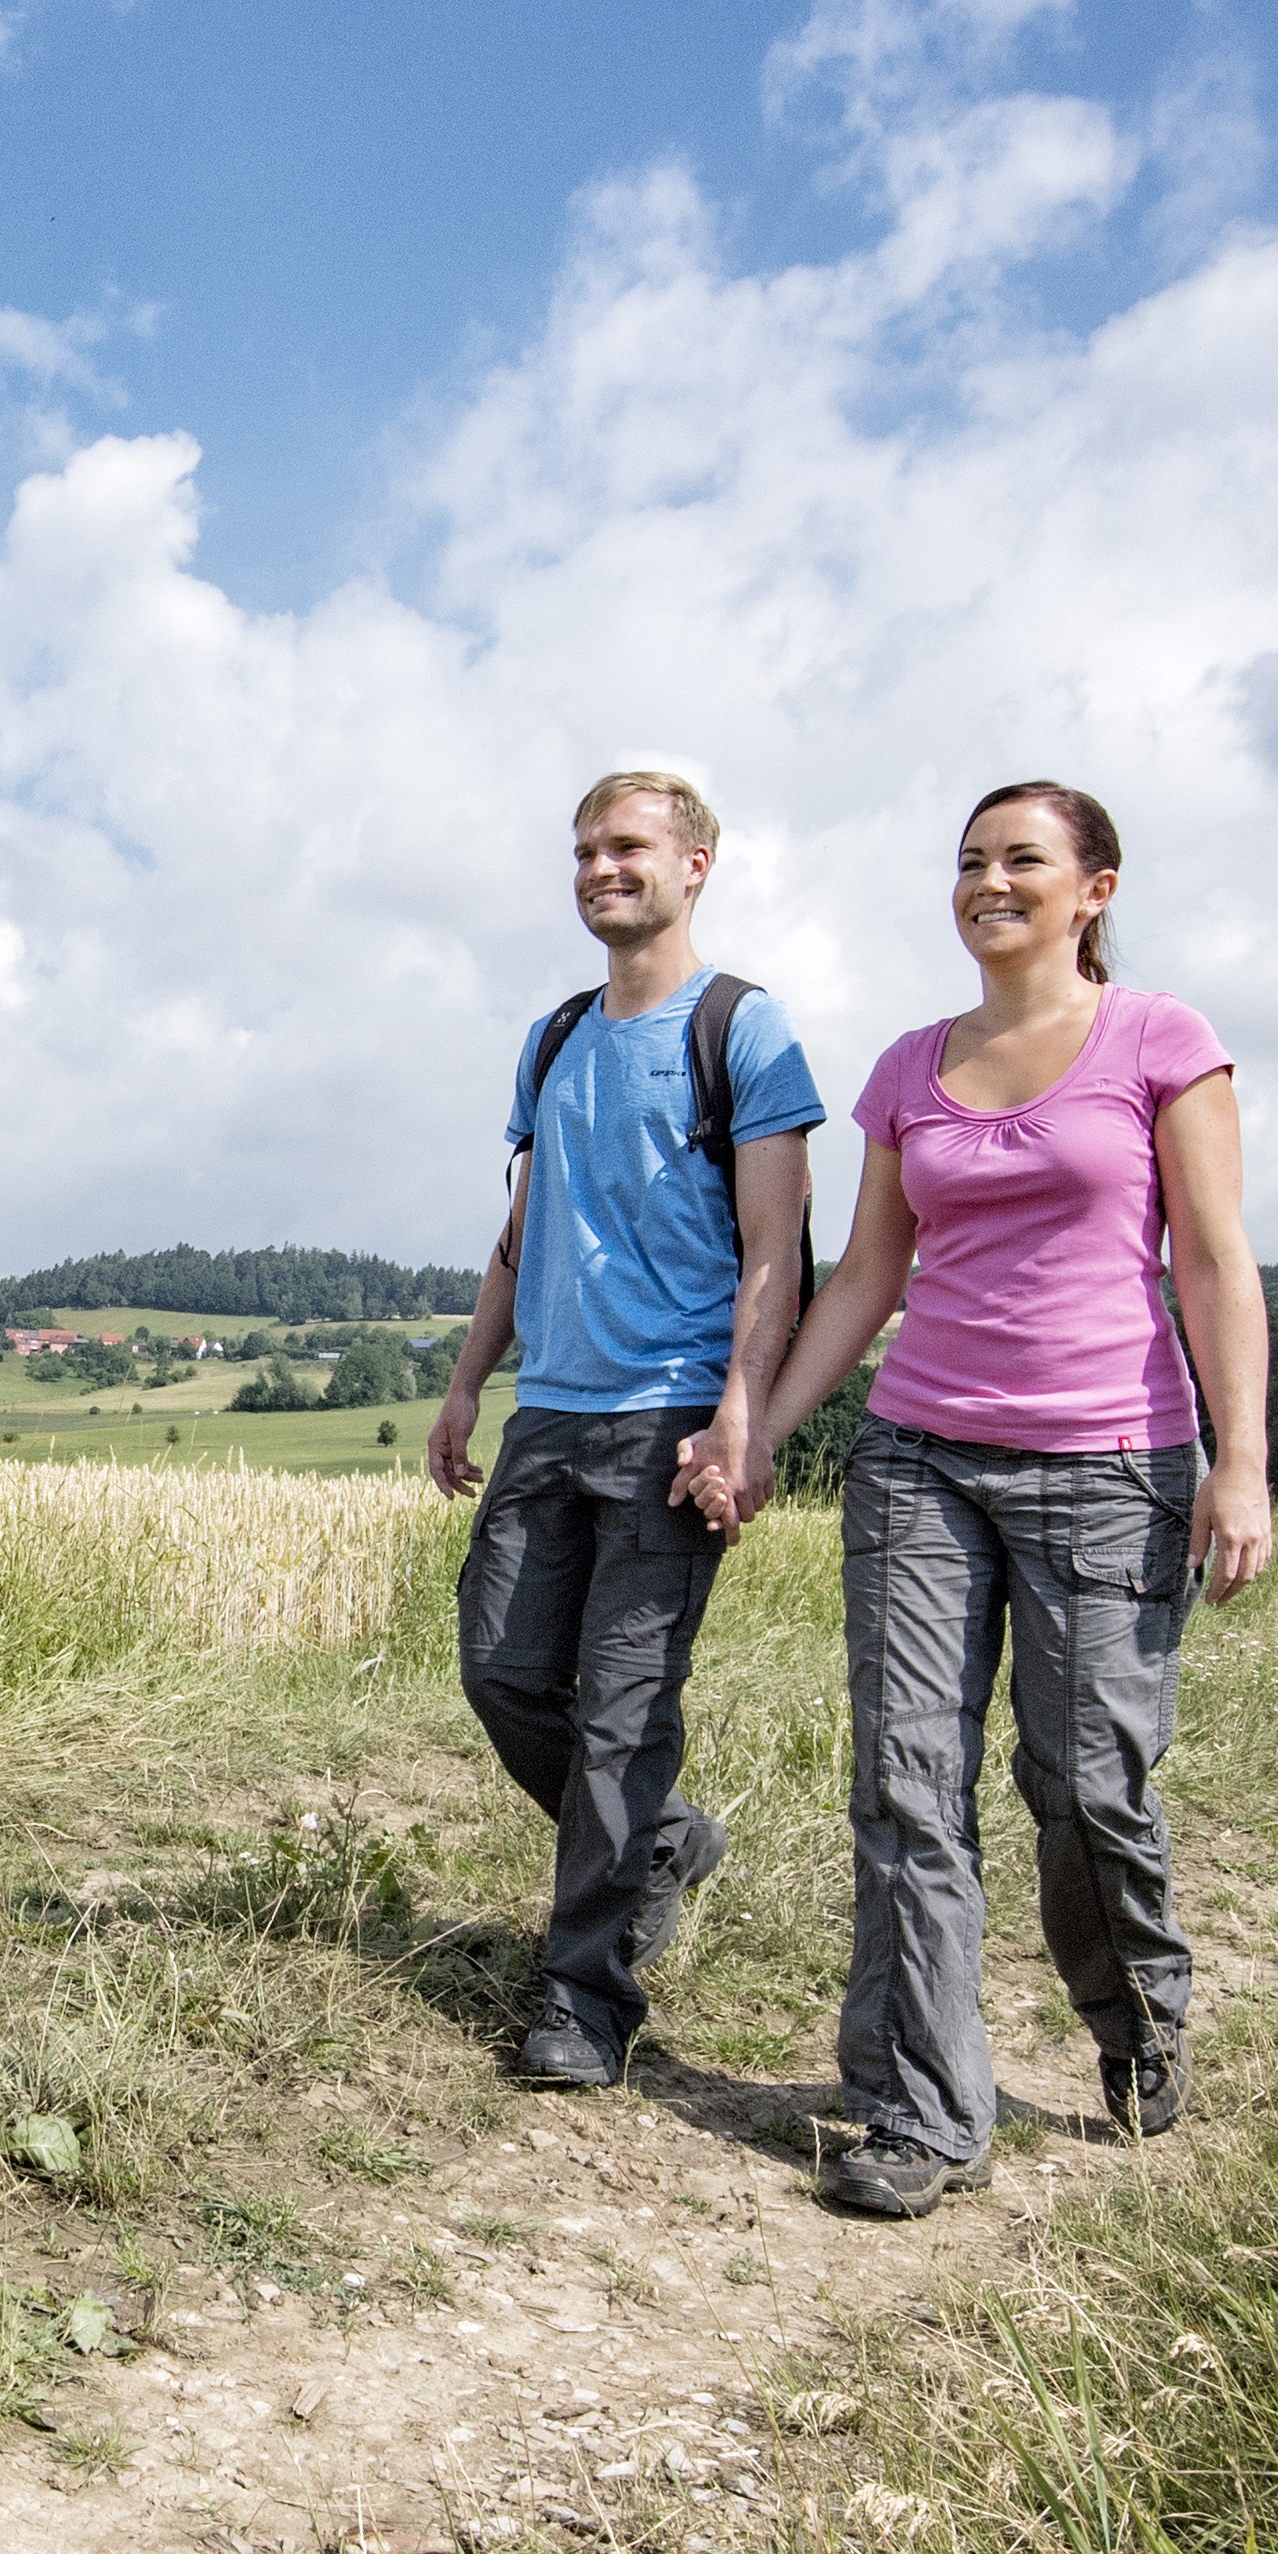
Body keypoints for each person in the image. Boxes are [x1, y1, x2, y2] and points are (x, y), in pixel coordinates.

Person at [689, 778, 1272, 2219]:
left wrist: (1238, 1457)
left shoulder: (1160, 1043)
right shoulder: (908, 1066)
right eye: (968, 861)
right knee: (905, 1789)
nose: (987, 882)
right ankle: (919, 2111)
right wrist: (755, 1425)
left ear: (1096, 889)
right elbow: (870, 1277)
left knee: (1080, 1784)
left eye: (1022, 859)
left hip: (1107, 1463)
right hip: (918, 1462)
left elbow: (1210, 1260)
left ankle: (1137, 2010)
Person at [429, 770, 821, 2089]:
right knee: (501, 1672)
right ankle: (656, 1842)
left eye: (630, 848)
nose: (602, 868)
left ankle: (582, 2001)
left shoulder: (743, 1032)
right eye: (586, 849)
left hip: (668, 1421)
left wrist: (739, 1415)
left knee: (620, 1713)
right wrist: (467, 1380)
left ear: (695, 865)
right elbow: (520, 1232)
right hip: (552, 1412)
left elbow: (778, 1253)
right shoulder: (550, 1041)